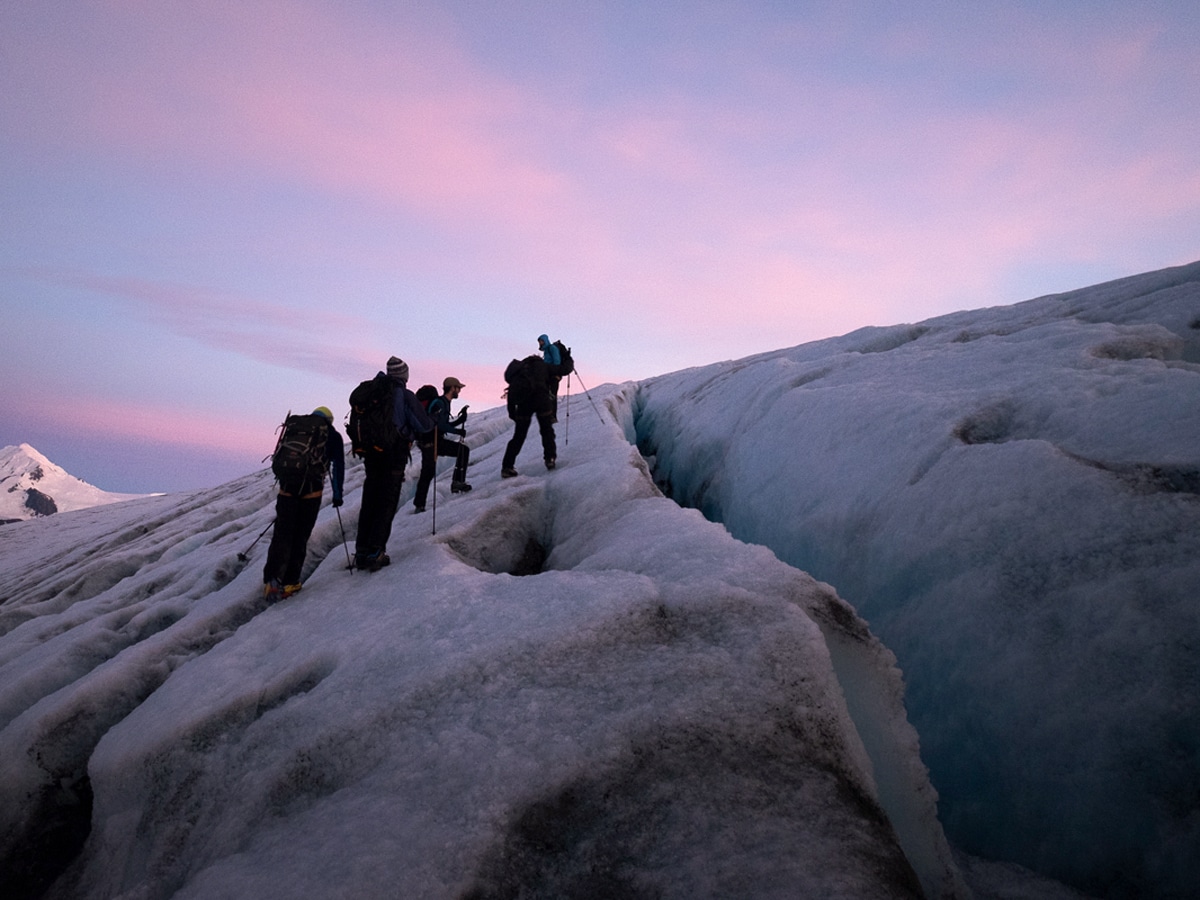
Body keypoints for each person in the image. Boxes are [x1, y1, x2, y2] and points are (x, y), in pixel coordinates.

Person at [353, 356, 432, 571]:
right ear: (403, 375)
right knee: (386, 503)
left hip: (371, 455)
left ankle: (361, 551)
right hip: (393, 455)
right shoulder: (404, 396)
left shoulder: (373, 394)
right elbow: (423, 425)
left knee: (369, 500)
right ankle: (376, 551)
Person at [263, 406, 345, 601]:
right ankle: (290, 583)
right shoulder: (331, 435)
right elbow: (338, 466)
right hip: (311, 493)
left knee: (282, 534)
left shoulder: (295, 428)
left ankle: (271, 581)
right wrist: (337, 494)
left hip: (287, 490)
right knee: (300, 536)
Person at [413, 376, 472, 512]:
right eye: (458, 388)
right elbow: (440, 425)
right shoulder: (440, 403)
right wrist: (457, 430)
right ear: (452, 388)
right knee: (429, 471)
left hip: (431, 441)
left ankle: (420, 503)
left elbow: (443, 424)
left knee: (429, 471)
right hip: (431, 441)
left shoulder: (443, 402)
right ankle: (457, 483)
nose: (459, 391)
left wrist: (460, 420)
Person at [501, 354, 561, 478]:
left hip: (523, 404)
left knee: (518, 436)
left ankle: (507, 467)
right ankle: (550, 459)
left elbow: (512, 391)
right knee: (547, 431)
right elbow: (564, 369)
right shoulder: (543, 366)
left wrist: (512, 413)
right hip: (541, 402)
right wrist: (568, 357)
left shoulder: (520, 370)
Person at [538, 334, 563, 422]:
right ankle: (549, 415)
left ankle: (553, 416)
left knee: (552, 395)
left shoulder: (552, 348)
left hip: (554, 376)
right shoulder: (546, 351)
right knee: (548, 395)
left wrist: (557, 374)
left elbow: (557, 361)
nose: (540, 343)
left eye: (541, 341)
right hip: (548, 376)